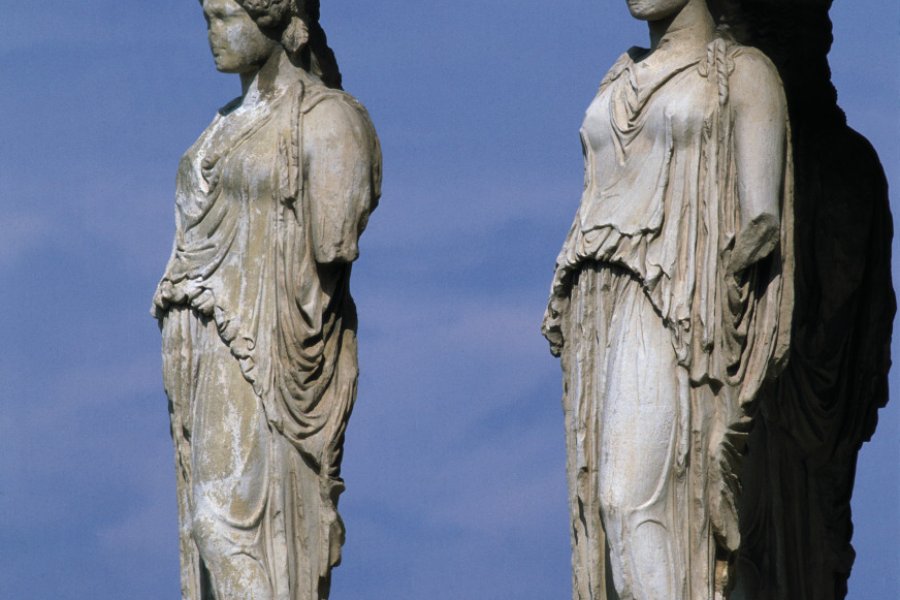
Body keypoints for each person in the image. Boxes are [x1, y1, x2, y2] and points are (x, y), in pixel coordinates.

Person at [541, 1, 793, 597]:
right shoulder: (619, 74)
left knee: (628, 500)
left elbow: (761, 222)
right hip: (597, 302)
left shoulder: (743, 74)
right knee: (599, 521)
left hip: (676, 305)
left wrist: (702, 289)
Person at [152, 1, 381, 598]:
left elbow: (333, 241)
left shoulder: (328, 120)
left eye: (226, 15)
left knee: (222, 525)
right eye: (207, 16)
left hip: (264, 351)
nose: (212, 33)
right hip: (201, 349)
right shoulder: (222, 120)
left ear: (275, 15)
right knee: (203, 534)